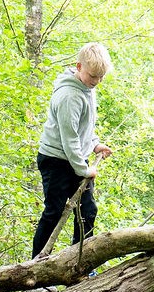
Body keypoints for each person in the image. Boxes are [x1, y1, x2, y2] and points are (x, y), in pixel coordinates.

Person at [32, 43, 113, 257]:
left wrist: (94, 144)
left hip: (75, 158)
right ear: (79, 66)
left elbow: (83, 127)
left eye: (100, 77)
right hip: (56, 160)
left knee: (87, 211)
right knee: (54, 212)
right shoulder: (69, 96)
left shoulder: (87, 89)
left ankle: (79, 261)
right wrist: (84, 170)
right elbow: (69, 139)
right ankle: (36, 265)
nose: (96, 82)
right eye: (93, 76)